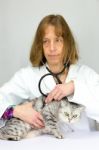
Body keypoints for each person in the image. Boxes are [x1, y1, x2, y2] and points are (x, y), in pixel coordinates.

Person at [0, 14, 99, 131]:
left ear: (67, 43)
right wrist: (15, 111)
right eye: (45, 41)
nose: (52, 48)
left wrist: (74, 87)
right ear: (40, 46)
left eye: (58, 40)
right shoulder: (27, 76)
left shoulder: (86, 74)